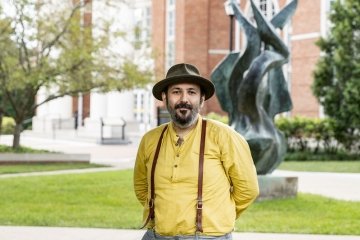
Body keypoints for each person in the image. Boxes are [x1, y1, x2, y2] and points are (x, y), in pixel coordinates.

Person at [134, 63, 259, 240]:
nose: (184, 99)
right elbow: (141, 188)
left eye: (192, 92)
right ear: (165, 97)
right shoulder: (150, 139)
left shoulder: (224, 136)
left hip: (209, 237)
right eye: (176, 92)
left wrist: (217, 216)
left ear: (201, 99)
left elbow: (248, 190)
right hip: (158, 236)